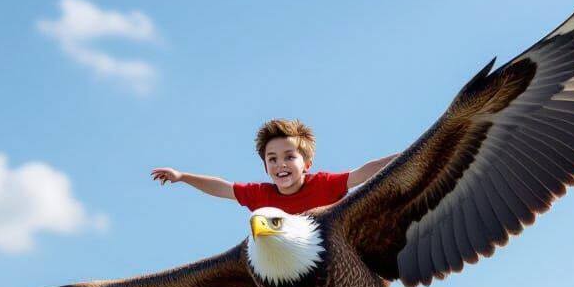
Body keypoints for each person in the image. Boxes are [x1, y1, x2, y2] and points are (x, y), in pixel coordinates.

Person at [151, 118, 397, 213]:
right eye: (273, 159)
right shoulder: (261, 195)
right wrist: (182, 176)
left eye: (289, 157)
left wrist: (408, 154)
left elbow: (363, 173)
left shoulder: (323, 184)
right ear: (265, 167)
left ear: (307, 164)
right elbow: (221, 188)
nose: (281, 164)